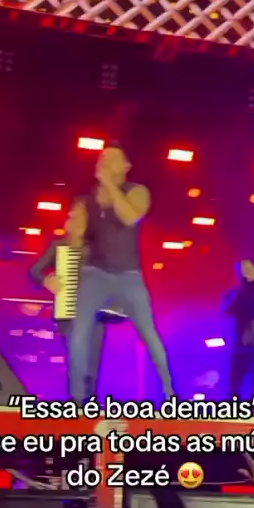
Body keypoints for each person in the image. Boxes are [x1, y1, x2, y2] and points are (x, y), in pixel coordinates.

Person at [68, 143, 174, 404]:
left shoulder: (137, 192)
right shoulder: (86, 201)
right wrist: (73, 231)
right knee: (79, 332)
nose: (104, 161)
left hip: (129, 275)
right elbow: (75, 243)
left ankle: (169, 391)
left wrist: (110, 186)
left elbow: (129, 217)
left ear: (126, 167)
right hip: (96, 273)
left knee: (148, 333)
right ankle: (77, 397)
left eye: (112, 158)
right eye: (102, 157)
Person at [29, 206, 109, 400]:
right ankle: (76, 403)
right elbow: (34, 271)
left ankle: (88, 405)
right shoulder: (60, 246)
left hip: (95, 314)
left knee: (93, 365)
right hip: (70, 312)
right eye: (73, 217)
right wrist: (47, 280)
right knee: (77, 362)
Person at [224, 259, 254, 395]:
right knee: (235, 384)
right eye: (244, 270)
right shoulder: (233, 294)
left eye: (250, 269)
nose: (248, 273)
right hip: (240, 346)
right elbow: (227, 311)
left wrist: (251, 307)